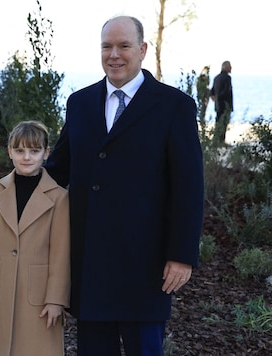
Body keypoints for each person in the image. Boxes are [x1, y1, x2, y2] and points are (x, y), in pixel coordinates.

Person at [43, 16, 204, 355]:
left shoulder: (175, 106)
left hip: (145, 268)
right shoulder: (80, 103)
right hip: (91, 264)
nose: (114, 55)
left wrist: (181, 256)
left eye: (123, 46)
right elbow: (56, 171)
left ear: (142, 50)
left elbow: (189, 187)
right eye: (107, 46)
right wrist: (6, 196)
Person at [0, 121, 71, 356]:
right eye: (20, 150)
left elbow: (61, 253)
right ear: (10, 151)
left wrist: (56, 300)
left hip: (40, 295)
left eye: (34, 151)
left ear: (46, 153)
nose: (27, 157)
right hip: (5, 289)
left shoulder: (59, 197)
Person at [210, 60, 233, 145]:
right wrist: (220, 97)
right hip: (225, 104)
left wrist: (215, 98)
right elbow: (227, 91)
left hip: (218, 105)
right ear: (225, 67)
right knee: (224, 123)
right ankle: (221, 141)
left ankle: (216, 140)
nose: (231, 68)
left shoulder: (216, 78)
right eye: (230, 66)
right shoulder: (227, 78)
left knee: (218, 122)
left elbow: (211, 91)